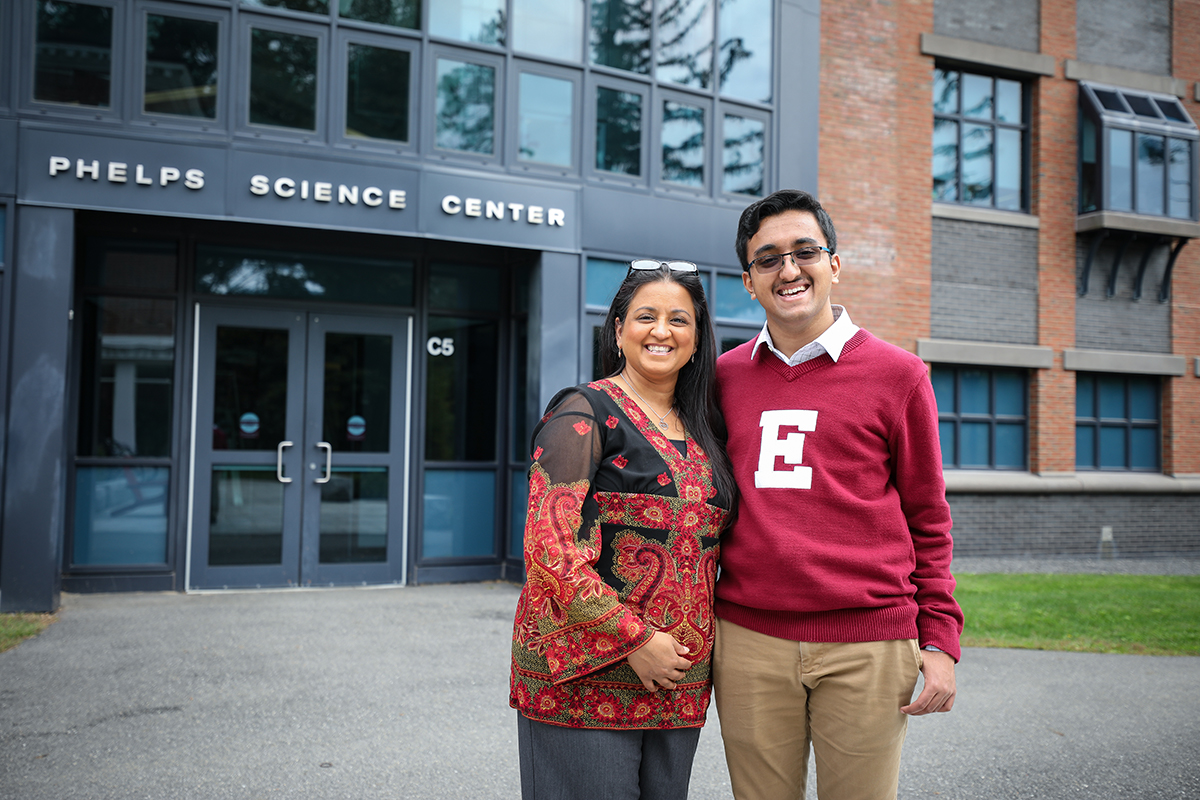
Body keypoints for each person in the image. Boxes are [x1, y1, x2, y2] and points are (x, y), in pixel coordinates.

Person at [712, 189, 963, 800]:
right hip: (749, 641)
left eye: (805, 252)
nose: (789, 270)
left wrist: (941, 640)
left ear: (835, 264)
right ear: (748, 281)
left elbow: (928, 516)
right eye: (767, 259)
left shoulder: (899, 375)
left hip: (869, 643)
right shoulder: (723, 378)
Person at [510, 259, 736, 800]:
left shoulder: (707, 426)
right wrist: (633, 640)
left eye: (679, 320)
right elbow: (550, 550)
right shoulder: (581, 412)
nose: (662, 331)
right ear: (618, 329)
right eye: (646, 316)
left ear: (699, 335)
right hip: (585, 677)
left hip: (678, 685)